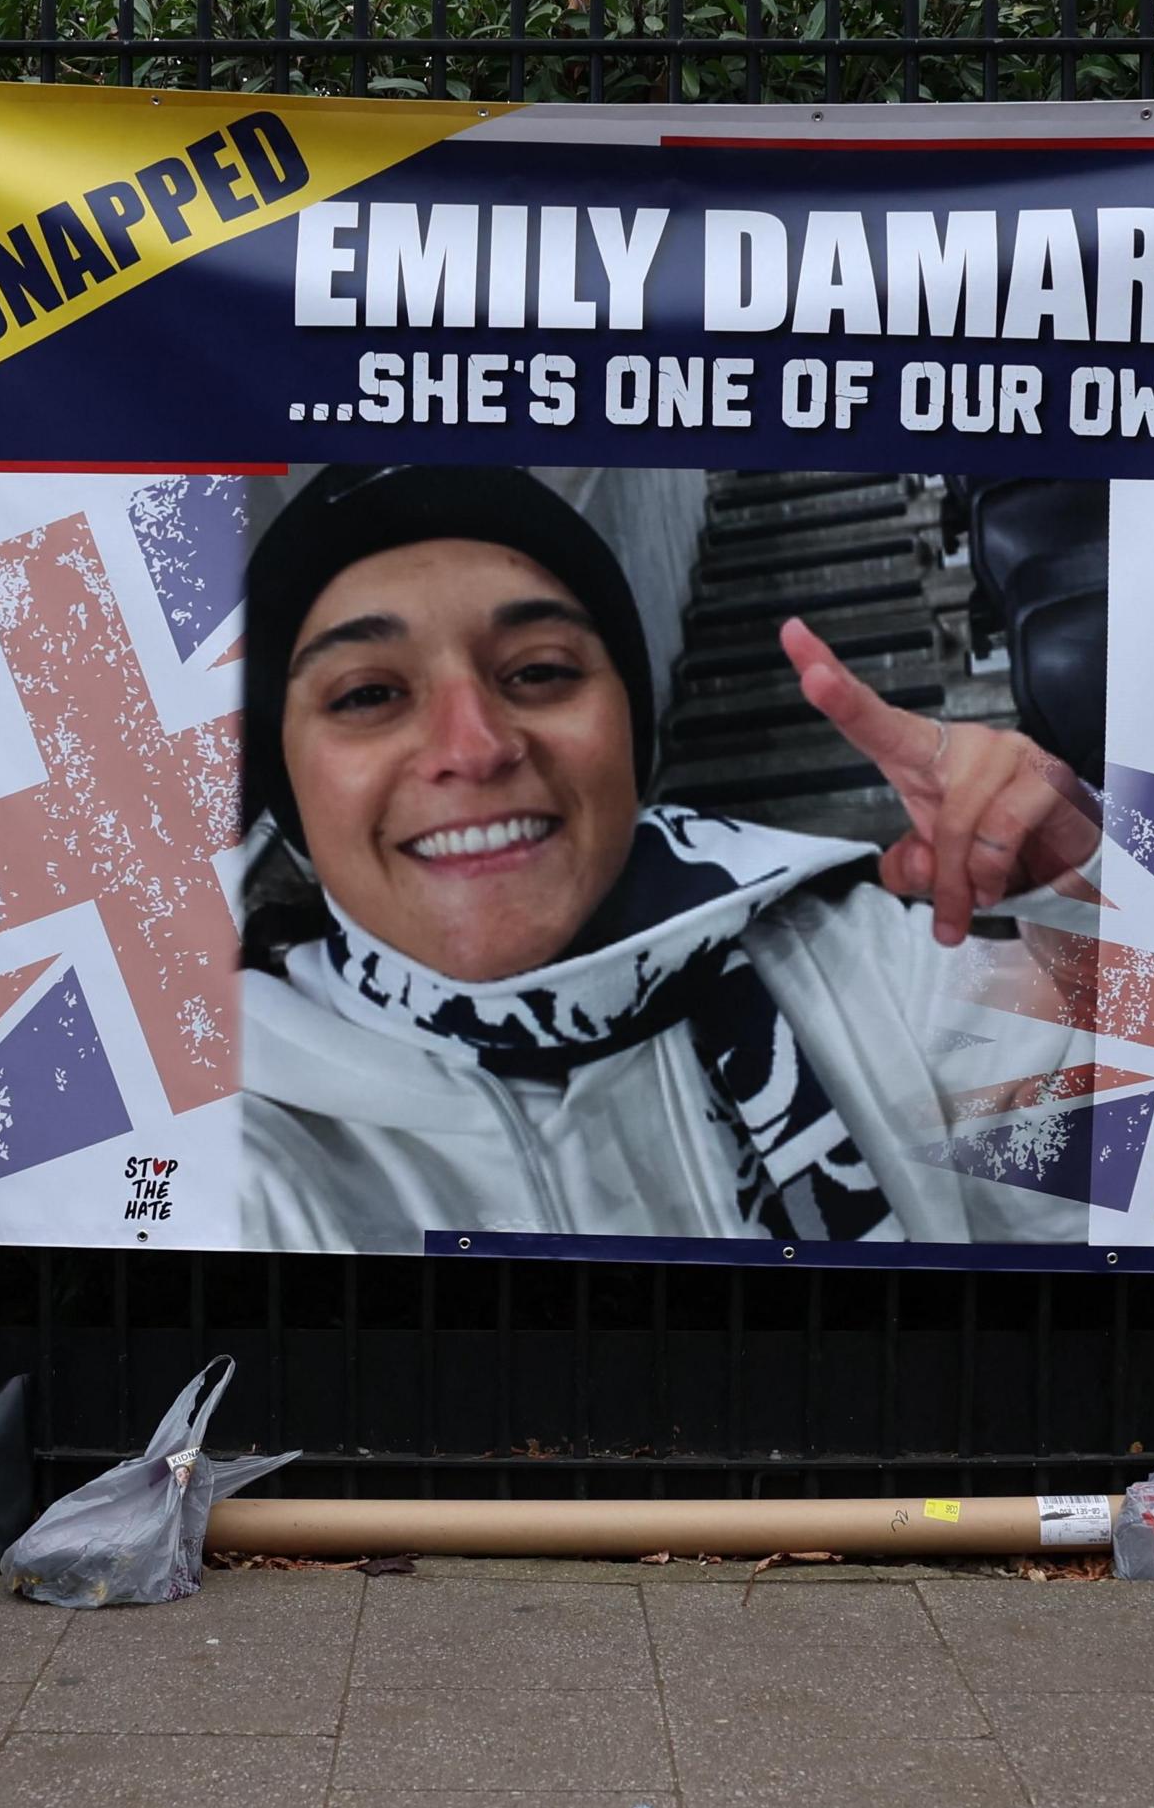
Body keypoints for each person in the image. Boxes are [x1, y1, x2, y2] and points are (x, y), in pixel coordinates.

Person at [231, 464, 1108, 1249]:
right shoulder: (230, 1140)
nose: (477, 744)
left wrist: (1096, 893)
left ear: (628, 733)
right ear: (288, 782)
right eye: (370, 694)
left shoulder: (857, 961)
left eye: (538, 671)